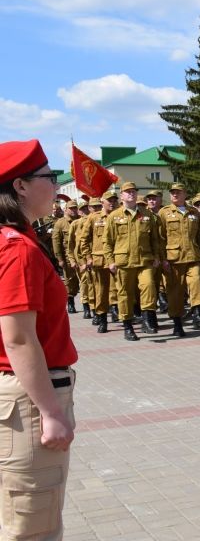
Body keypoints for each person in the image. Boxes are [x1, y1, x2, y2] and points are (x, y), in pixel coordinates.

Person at [0, 139, 78, 539]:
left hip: (15, 394)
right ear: (21, 186)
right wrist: (50, 411)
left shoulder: (15, 240)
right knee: (32, 528)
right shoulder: (17, 249)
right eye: (48, 176)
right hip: (27, 398)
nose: (56, 184)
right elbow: (18, 339)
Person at [104, 182, 162, 341]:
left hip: (145, 260)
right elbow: (107, 241)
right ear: (121, 195)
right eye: (127, 192)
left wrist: (156, 257)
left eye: (133, 191)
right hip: (123, 262)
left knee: (148, 286)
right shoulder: (114, 216)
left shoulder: (146, 214)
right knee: (125, 295)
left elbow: (155, 239)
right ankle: (128, 327)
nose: (131, 194)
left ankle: (147, 320)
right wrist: (110, 261)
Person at [157, 183, 200, 336]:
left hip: (193, 256)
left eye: (178, 192)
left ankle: (197, 313)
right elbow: (160, 238)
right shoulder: (164, 213)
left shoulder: (193, 212)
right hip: (173, 258)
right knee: (175, 293)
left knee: (197, 281)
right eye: (172, 192)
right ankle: (177, 324)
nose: (175, 195)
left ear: (185, 194)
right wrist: (163, 259)